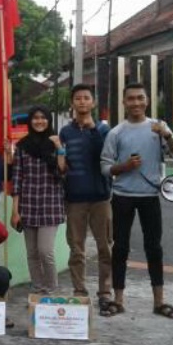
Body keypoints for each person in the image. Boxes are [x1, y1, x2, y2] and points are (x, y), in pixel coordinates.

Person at [101, 83, 173, 319]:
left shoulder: (159, 128)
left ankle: (159, 301)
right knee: (121, 248)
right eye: (131, 99)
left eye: (140, 98)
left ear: (147, 100)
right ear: (124, 102)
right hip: (122, 196)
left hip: (150, 197)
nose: (136, 103)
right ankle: (118, 300)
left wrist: (166, 134)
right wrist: (125, 166)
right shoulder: (116, 132)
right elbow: (105, 168)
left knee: (154, 248)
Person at [59, 84, 115, 311]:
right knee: (77, 249)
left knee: (105, 248)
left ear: (93, 103)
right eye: (78, 98)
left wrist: (92, 130)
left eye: (86, 98)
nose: (82, 102)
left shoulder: (103, 130)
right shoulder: (65, 133)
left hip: (101, 198)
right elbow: (62, 165)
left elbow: (107, 157)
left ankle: (105, 292)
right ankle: (79, 291)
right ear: (72, 103)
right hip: (75, 199)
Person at [9, 106, 66, 296]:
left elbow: (63, 172)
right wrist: (15, 211)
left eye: (43, 118)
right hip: (28, 205)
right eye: (35, 118)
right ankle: (37, 286)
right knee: (32, 253)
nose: (39, 121)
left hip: (50, 205)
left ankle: (51, 288)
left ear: (49, 120)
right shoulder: (22, 146)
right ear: (30, 121)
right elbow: (17, 179)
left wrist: (59, 148)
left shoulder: (56, 142)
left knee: (45, 251)